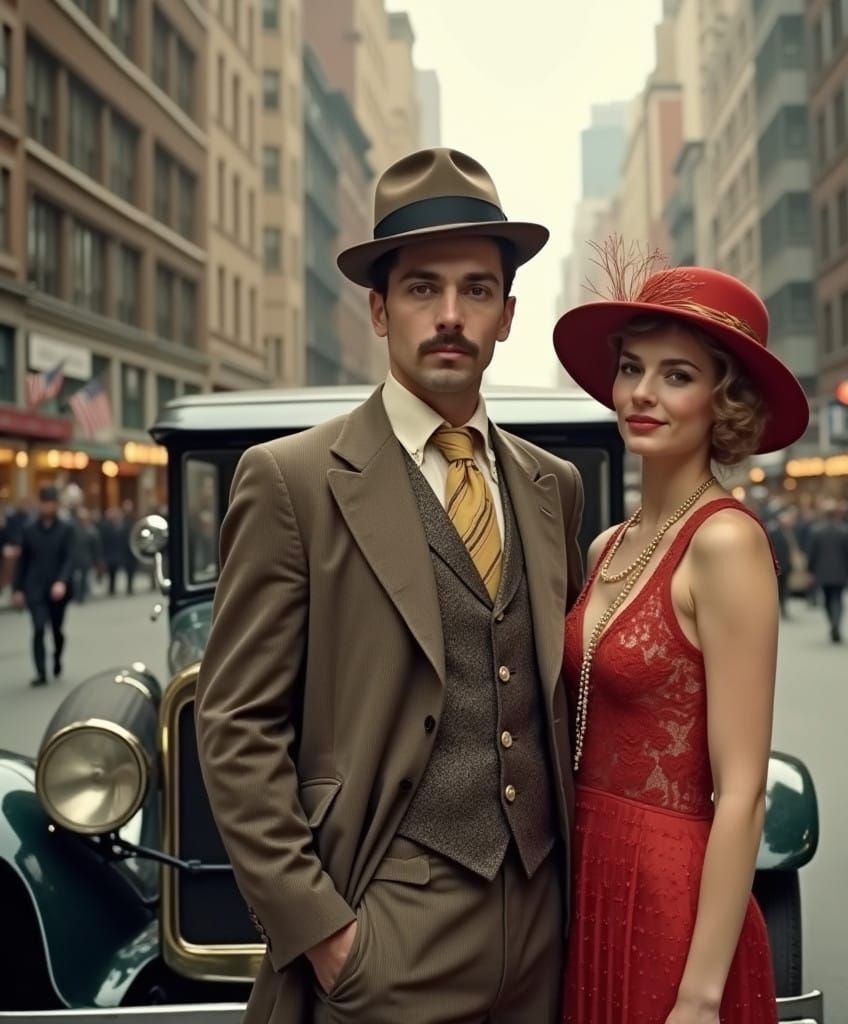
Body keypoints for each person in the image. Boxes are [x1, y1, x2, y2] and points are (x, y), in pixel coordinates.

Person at [196, 148, 584, 1024]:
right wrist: (326, 933)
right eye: (422, 289)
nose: (451, 315)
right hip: (387, 922)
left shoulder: (551, 483)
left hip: (543, 925)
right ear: (378, 308)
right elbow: (235, 726)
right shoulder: (292, 479)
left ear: (508, 313)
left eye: (477, 290)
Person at [553, 262, 809, 1023]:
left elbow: (743, 789)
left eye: (677, 375)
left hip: (671, 894)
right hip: (587, 873)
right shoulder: (606, 546)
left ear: (722, 403)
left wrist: (700, 996)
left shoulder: (725, 543)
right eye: (632, 368)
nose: (642, 393)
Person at [12, 486, 74, 687]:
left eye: (51, 503)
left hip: (57, 587)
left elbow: (69, 558)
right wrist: (18, 589)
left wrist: (62, 581)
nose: (47, 507)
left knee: (56, 629)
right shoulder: (30, 529)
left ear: (56, 505)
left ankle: (56, 657)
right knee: (38, 628)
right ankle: (40, 672)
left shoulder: (66, 528)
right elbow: (23, 561)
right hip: (35, 586)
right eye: (44, 503)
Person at [807, 499, 848, 643]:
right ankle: (836, 623)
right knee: (838, 599)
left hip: (823, 572)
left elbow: (812, 553)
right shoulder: (845, 530)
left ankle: (833, 623)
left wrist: (810, 571)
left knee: (827, 600)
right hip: (841, 571)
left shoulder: (816, 531)